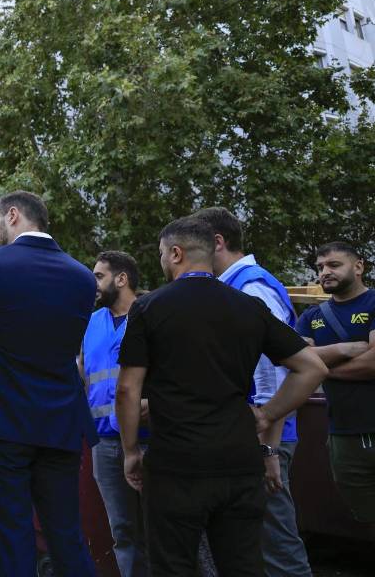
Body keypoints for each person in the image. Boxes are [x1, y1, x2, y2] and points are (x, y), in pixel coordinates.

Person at [115, 217, 327, 576]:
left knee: (172, 565)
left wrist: (131, 450)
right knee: (242, 564)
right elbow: (312, 368)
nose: (162, 262)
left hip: (176, 466)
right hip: (238, 464)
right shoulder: (247, 306)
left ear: (177, 253)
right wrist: (266, 414)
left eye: (163, 254)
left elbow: (127, 389)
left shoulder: (150, 308)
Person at [0, 190, 97, 576]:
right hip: (60, 424)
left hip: (1, 424)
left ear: (13, 215)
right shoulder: (84, 278)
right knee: (67, 535)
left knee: (13, 536)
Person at [196, 206, 312, 577]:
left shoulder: (251, 287)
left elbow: (274, 374)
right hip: (251, 437)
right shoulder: (234, 286)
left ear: (217, 242)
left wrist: (267, 448)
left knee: (277, 548)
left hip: (264, 440)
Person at [294, 241, 375, 524]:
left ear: (358, 267)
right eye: (320, 268)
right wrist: (345, 350)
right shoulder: (311, 317)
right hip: (342, 435)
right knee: (366, 518)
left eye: (334, 265)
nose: (324, 272)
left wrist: (321, 368)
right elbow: (296, 360)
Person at [81, 250, 148, 577]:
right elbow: (84, 376)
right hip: (105, 444)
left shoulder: (150, 316)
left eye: (98, 276)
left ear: (121, 279)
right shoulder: (92, 322)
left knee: (160, 528)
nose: (93, 283)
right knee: (121, 531)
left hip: (150, 440)